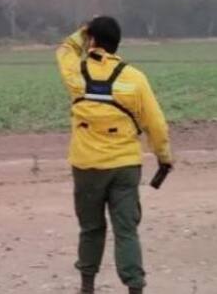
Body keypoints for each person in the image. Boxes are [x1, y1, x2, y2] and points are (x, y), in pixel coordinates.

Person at [55, 16, 174, 294]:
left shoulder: (76, 74)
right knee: (126, 231)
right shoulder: (134, 78)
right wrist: (164, 157)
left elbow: (63, 50)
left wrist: (81, 32)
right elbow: (156, 123)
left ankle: (87, 286)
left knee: (91, 228)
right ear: (117, 43)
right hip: (125, 166)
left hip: (86, 166)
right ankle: (135, 288)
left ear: (92, 41)